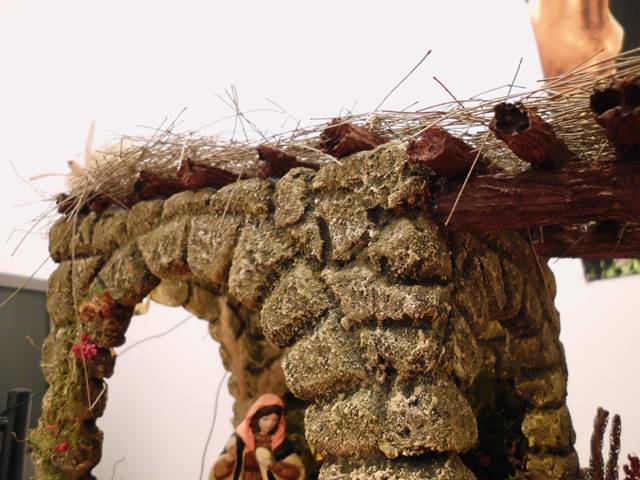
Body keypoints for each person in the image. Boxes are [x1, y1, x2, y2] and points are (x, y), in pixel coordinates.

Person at [210, 394, 305, 480]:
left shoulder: (280, 443)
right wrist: (229, 459)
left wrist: (272, 464)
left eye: (274, 420)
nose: (270, 424)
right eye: (265, 419)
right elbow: (218, 474)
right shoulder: (239, 439)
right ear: (256, 418)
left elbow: (296, 474)